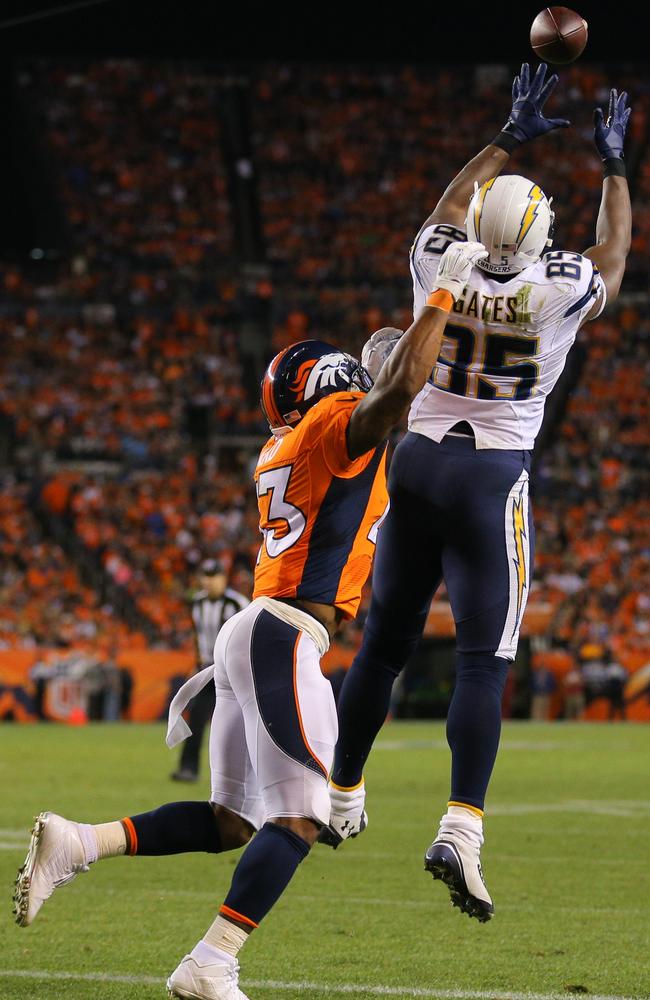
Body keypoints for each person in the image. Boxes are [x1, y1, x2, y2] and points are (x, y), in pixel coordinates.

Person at [13, 239, 486, 1000]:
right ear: (328, 385)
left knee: (234, 820)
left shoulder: (286, 441)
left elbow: (390, 405)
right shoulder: (333, 424)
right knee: (302, 818)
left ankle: (79, 843)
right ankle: (212, 961)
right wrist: (444, 295)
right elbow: (393, 398)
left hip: (257, 631)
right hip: (283, 636)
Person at [321, 65, 632, 924]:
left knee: (382, 642)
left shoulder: (437, 258)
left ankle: (341, 793)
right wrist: (615, 167)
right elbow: (614, 255)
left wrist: (509, 136)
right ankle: (461, 827)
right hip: (493, 475)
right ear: (536, 237)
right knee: (483, 660)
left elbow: (451, 206)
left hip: (416, 456)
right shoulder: (558, 286)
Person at [171, 559, 249, 782]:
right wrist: (197, 663)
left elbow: (245, 636)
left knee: (240, 721)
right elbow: (198, 637)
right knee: (196, 716)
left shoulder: (237, 603)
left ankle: (244, 772)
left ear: (223, 578)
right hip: (208, 668)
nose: (209, 581)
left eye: (213, 576)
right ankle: (188, 768)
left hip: (234, 670)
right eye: (205, 576)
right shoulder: (197, 602)